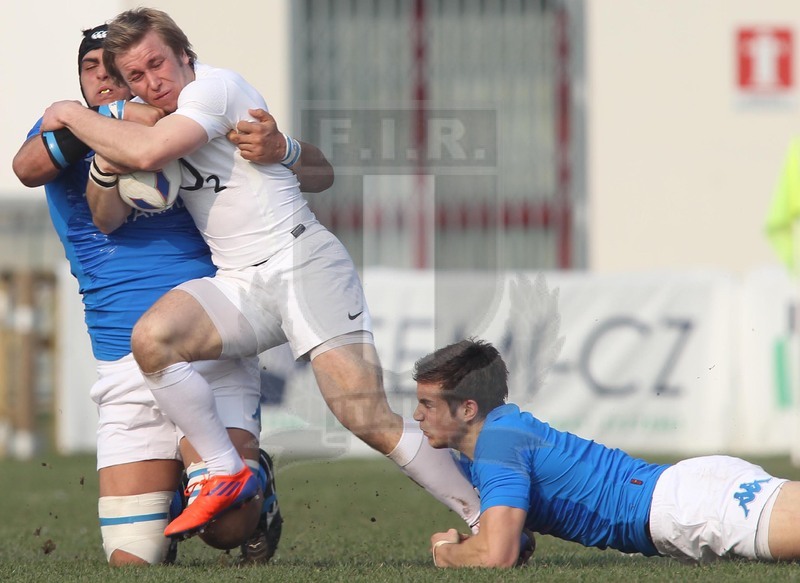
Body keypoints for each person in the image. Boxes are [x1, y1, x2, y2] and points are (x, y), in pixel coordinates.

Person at [40, 7, 483, 540]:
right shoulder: (144, 117)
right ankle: (224, 469)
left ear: (185, 54)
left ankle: (485, 514)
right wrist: (105, 163)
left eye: (158, 64)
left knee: (363, 415)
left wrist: (68, 111)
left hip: (300, 263)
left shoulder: (215, 88)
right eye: (136, 76)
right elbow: (106, 215)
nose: (152, 82)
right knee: (152, 339)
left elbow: (155, 151)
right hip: (240, 281)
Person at [12, 23, 331, 565]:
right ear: (82, 82)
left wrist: (286, 147)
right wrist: (105, 120)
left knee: (227, 528)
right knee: (133, 560)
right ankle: (182, 488)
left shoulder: (188, 120)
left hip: (204, 337)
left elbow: (320, 172)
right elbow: (26, 168)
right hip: (121, 359)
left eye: (120, 71)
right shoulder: (70, 133)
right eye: (93, 68)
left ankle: (252, 488)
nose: (106, 78)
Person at [414, 338, 800, 568]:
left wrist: (445, 552)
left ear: (467, 408)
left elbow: (498, 557)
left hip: (687, 510)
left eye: (427, 405)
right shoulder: (499, 433)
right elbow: (515, 543)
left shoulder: (496, 447)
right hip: (685, 493)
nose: (417, 415)